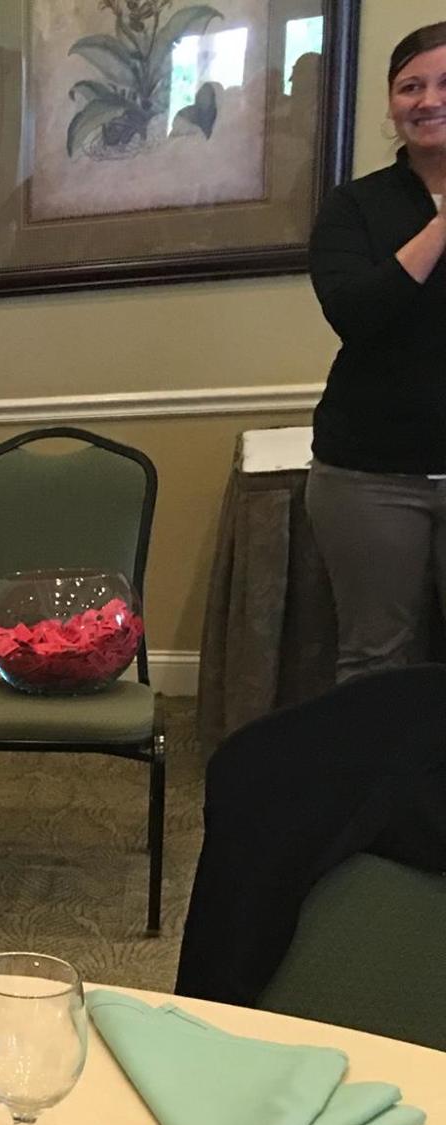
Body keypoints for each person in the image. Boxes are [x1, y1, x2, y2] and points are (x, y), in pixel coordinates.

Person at [304, 22, 446, 681]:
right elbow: (355, 314)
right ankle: (382, 790)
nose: (427, 99)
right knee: (374, 661)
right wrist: (442, 225)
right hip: (371, 474)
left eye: (444, 83)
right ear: (392, 105)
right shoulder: (353, 205)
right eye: (410, 86)